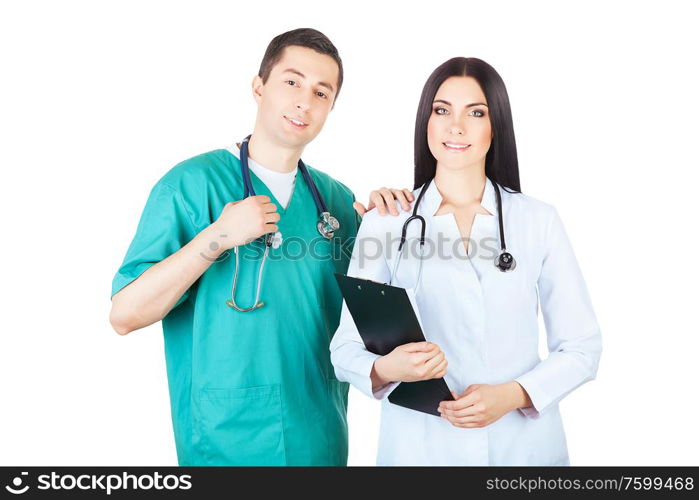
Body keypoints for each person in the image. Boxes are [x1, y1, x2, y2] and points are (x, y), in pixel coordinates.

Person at [109, 28, 412, 466]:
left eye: (321, 92)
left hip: (319, 435)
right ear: (259, 87)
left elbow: (380, 325)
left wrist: (391, 227)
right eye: (292, 82)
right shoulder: (192, 185)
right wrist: (217, 237)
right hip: (224, 439)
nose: (304, 101)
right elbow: (124, 314)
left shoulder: (340, 204)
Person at [330, 57, 603, 465]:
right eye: (442, 111)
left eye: (475, 113)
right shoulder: (386, 223)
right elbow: (344, 351)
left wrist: (514, 394)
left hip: (520, 447)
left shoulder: (536, 220)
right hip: (419, 448)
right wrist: (387, 367)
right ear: (427, 122)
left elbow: (582, 347)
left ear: (497, 127)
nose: (455, 127)